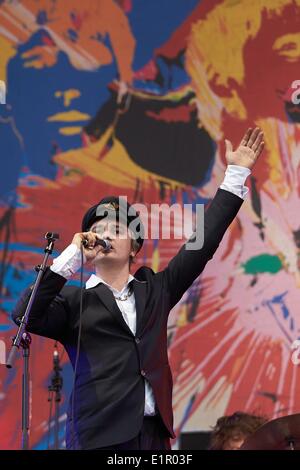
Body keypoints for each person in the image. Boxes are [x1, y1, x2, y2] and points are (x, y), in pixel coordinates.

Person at [12, 127, 264, 450]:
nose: (106, 234)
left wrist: (235, 174)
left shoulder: (155, 290)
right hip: (98, 438)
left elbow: (202, 245)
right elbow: (24, 316)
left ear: (133, 248)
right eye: (98, 229)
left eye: (117, 228)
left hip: (153, 437)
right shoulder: (74, 300)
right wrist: (71, 257)